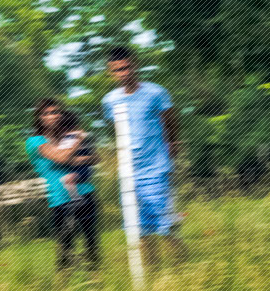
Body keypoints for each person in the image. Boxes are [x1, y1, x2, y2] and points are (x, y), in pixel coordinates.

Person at [101, 45, 184, 266]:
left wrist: (173, 143)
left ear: (135, 65)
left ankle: (183, 268)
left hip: (156, 168)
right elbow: (116, 131)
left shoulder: (156, 93)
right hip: (129, 174)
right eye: (117, 70)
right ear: (110, 72)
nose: (123, 73)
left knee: (166, 227)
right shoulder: (109, 101)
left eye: (127, 68)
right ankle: (153, 275)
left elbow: (171, 121)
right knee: (139, 230)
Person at [26, 98, 99, 272]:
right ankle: (62, 288)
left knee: (92, 247)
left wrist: (74, 153)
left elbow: (96, 158)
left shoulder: (66, 136)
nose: (52, 116)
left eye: (55, 112)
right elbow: (62, 158)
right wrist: (77, 140)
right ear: (39, 117)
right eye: (46, 113)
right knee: (65, 253)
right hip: (61, 200)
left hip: (86, 192)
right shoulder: (35, 141)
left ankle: (97, 284)